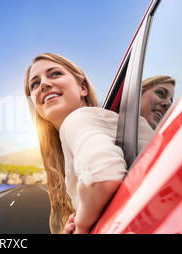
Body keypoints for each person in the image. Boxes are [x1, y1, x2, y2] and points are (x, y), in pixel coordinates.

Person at [24, 53, 153, 234]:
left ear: (82, 87)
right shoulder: (94, 123)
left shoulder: (76, 120)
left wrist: (82, 226)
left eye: (55, 74)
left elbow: (102, 176)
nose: (44, 84)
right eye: (35, 84)